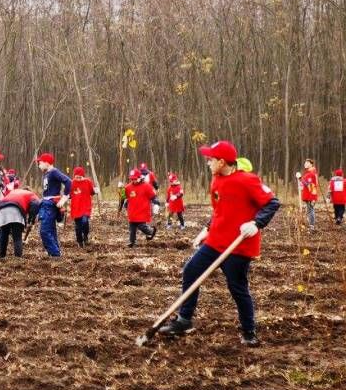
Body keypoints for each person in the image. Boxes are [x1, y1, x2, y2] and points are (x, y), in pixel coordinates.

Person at [158, 140, 280, 346]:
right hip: (215, 242)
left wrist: (256, 223)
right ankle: (184, 320)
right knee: (191, 271)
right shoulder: (215, 180)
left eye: (210, 159)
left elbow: (272, 202)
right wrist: (206, 230)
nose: (208, 163)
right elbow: (219, 210)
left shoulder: (247, 180)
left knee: (237, 287)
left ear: (222, 162)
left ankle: (249, 331)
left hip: (238, 246)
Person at [37, 153, 71, 257]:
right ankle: (56, 253)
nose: (39, 165)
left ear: (47, 163)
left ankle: (55, 254)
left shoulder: (54, 172)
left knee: (44, 231)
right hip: (46, 203)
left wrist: (64, 198)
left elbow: (68, 182)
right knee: (50, 230)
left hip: (50, 204)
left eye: (40, 163)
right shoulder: (46, 173)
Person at [0, 187, 40, 258]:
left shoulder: (14, 191)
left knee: (4, 234)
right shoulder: (32, 195)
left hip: (1, 209)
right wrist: (31, 220)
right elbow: (35, 205)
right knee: (17, 236)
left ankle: (1, 256)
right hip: (15, 209)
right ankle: (18, 258)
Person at [125, 169, 157, 247]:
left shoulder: (146, 186)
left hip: (142, 211)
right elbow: (125, 197)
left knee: (141, 226)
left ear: (139, 177)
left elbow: (153, 197)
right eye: (132, 179)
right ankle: (132, 242)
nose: (133, 180)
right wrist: (124, 202)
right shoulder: (128, 187)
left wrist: (156, 204)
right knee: (132, 229)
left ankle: (151, 231)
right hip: (132, 212)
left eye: (135, 179)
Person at [69, 166, 97, 247]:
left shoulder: (88, 182)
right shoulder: (72, 183)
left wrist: (95, 190)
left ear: (83, 176)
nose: (78, 179)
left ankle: (85, 236)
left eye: (80, 177)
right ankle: (79, 241)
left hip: (85, 206)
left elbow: (92, 192)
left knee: (85, 222)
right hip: (76, 207)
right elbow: (69, 194)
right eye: (76, 177)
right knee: (78, 227)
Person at [297, 159, 319, 231]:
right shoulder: (308, 173)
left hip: (310, 196)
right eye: (305, 162)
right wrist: (301, 181)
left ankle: (311, 226)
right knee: (309, 210)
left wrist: (300, 178)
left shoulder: (311, 174)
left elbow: (309, 185)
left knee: (310, 210)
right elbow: (305, 184)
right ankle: (310, 225)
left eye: (307, 163)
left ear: (311, 164)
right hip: (308, 195)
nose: (305, 164)